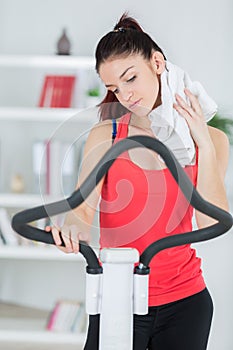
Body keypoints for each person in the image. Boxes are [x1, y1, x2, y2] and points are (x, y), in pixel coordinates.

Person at [46, 13, 229, 350]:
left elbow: (212, 220)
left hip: (186, 301)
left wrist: (202, 142)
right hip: (118, 299)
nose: (125, 95)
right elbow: (82, 213)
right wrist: (70, 226)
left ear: (158, 63)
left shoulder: (214, 141)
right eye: (114, 88)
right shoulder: (107, 135)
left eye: (131, 78)